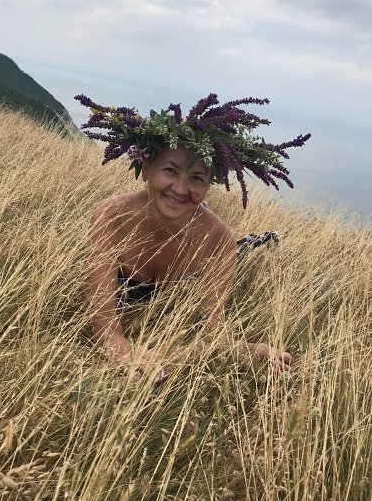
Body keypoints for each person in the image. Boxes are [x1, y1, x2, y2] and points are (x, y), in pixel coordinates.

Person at [76, 93, 311, 378]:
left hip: (206, 233)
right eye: (170, 170)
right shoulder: (111, 216)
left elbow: (212, 334)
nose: (180, 188)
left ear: (210, 183)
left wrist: (253, 351)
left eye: (197, 178)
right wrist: (123, 349)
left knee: (242, 247)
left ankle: (255, 241)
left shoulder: (218, 241)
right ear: (146, 168)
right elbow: (103, 322)